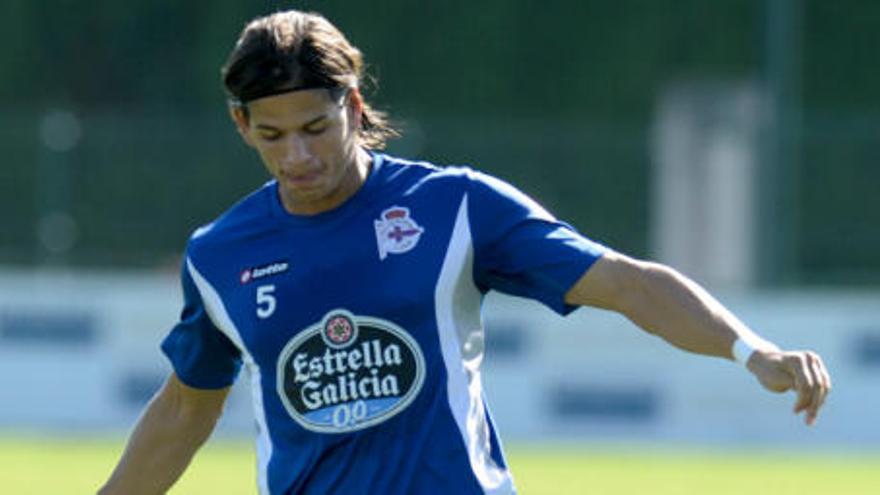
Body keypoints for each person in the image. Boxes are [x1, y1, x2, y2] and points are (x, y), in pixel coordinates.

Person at [98, 9, 831, 495]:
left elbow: (629, 284)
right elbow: (184, 410)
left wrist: (751, 351)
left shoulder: (454, 208)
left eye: (317, 128)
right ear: (241, 126)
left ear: (353, 106)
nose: (298, 155)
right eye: (273, 135)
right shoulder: (220, 254)